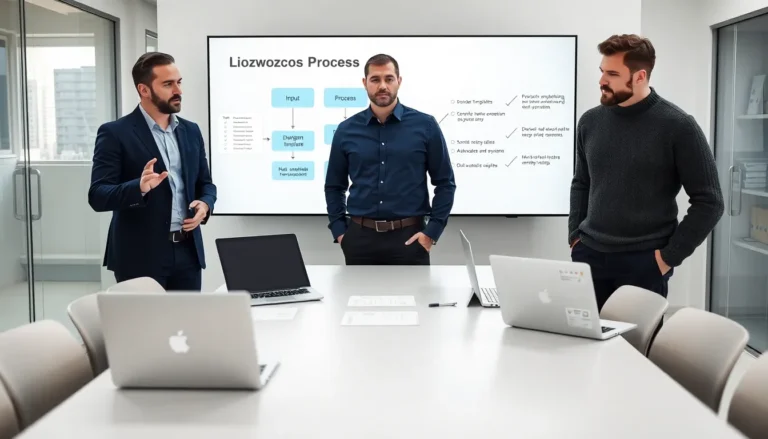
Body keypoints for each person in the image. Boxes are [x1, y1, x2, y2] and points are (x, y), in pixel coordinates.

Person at [569, 34, 724, 311]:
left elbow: (710, 201)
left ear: (640, 76)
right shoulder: (590, 122)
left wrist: (667, 258)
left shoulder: (678, 126)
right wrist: (574, 239)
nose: (602, 80)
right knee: (583, 337)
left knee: (637, 340)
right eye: (602, 71)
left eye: (613, 74)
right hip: (589, 257)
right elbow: (582, 183)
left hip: (644, 264)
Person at [88, 52, 217, 290]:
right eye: (168, 84)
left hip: (188, 252)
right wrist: (138, 188)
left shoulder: (191, 131)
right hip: (139, 256)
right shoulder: (115, 133)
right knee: (143, 317)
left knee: (187, 316)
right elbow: (98, 195)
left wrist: (205, 204)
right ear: (144, 90)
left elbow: (205, 184)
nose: (178, 90)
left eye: (179, 82)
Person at [324, 53, 456, 265]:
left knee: (415, 290)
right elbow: (334, 186)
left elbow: (445, 183)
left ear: (399, 81)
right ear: (365, 83)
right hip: (359, 240)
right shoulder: (346, 130)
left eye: (389, 78)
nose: (382, 86)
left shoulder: (426, 126)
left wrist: (432, 232)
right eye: (375, 79)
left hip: (410, 239)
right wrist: (340, 232)